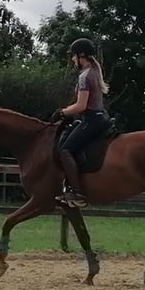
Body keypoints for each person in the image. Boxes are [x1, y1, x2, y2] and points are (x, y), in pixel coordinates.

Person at [50, 37, 111, 208]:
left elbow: (81, 105)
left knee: (65, 149)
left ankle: (77, 193)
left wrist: (62, 112)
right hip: (99, 117)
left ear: (80, 56)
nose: (72, 59)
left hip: (91, 119)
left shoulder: (85, 76)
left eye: (73, 56)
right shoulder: (93, 71)